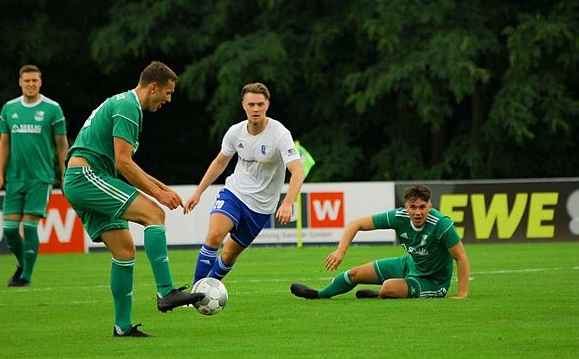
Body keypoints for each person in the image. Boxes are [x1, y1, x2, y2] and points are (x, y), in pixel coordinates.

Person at [62, 61, 204, 338]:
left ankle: (122, 327)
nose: (168, 99)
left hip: (84, 178)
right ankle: (166, 292)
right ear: (153, 87)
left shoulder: (124, 103)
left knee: (125, 251)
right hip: (87, 176)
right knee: (155, 214)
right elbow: (123, 163)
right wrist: (159, 196)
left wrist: (162, 187)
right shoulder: (128, 107)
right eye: (168, 93)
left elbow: (127, 164)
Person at [184, 82, 305, 283]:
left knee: (228, 255)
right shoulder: (235, 132)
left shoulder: (280, 134)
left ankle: (208, 288)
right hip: (235, 193)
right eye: (251, 104)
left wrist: (287, 202)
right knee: (214, 236)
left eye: (260, 104)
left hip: (261, 207)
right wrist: (198, 192)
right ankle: (196, 291)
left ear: (267, 105)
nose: (256, 109)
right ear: (243, 105)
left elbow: (298, 171)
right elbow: (220, 162)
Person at [290, 184, 470, 301]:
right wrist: (340, 251)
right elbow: (356, 224)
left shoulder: (441, 224)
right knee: (355, 273)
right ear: (406, 207)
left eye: (422, 207)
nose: (418, 212)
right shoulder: (398, 217)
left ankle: (380, 294)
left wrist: (462, 295)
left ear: (430, 206)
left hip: (433, 282)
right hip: (409, 265)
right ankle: (319, 295)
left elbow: (461, 257)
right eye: (413, 207)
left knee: (389, 288)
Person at [0, 65, 68, 287]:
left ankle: (25, 277)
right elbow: (3, 143)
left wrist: (65, 174)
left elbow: (62, 145)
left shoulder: (52, 109)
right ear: (20, 82)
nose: (31, 84)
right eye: (27, 80)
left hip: (40, 178)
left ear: (40, 82)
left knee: (30, 226)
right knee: (9, 230)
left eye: (35, 80)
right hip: (15, 178)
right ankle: (23, 264)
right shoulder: (9, 108)